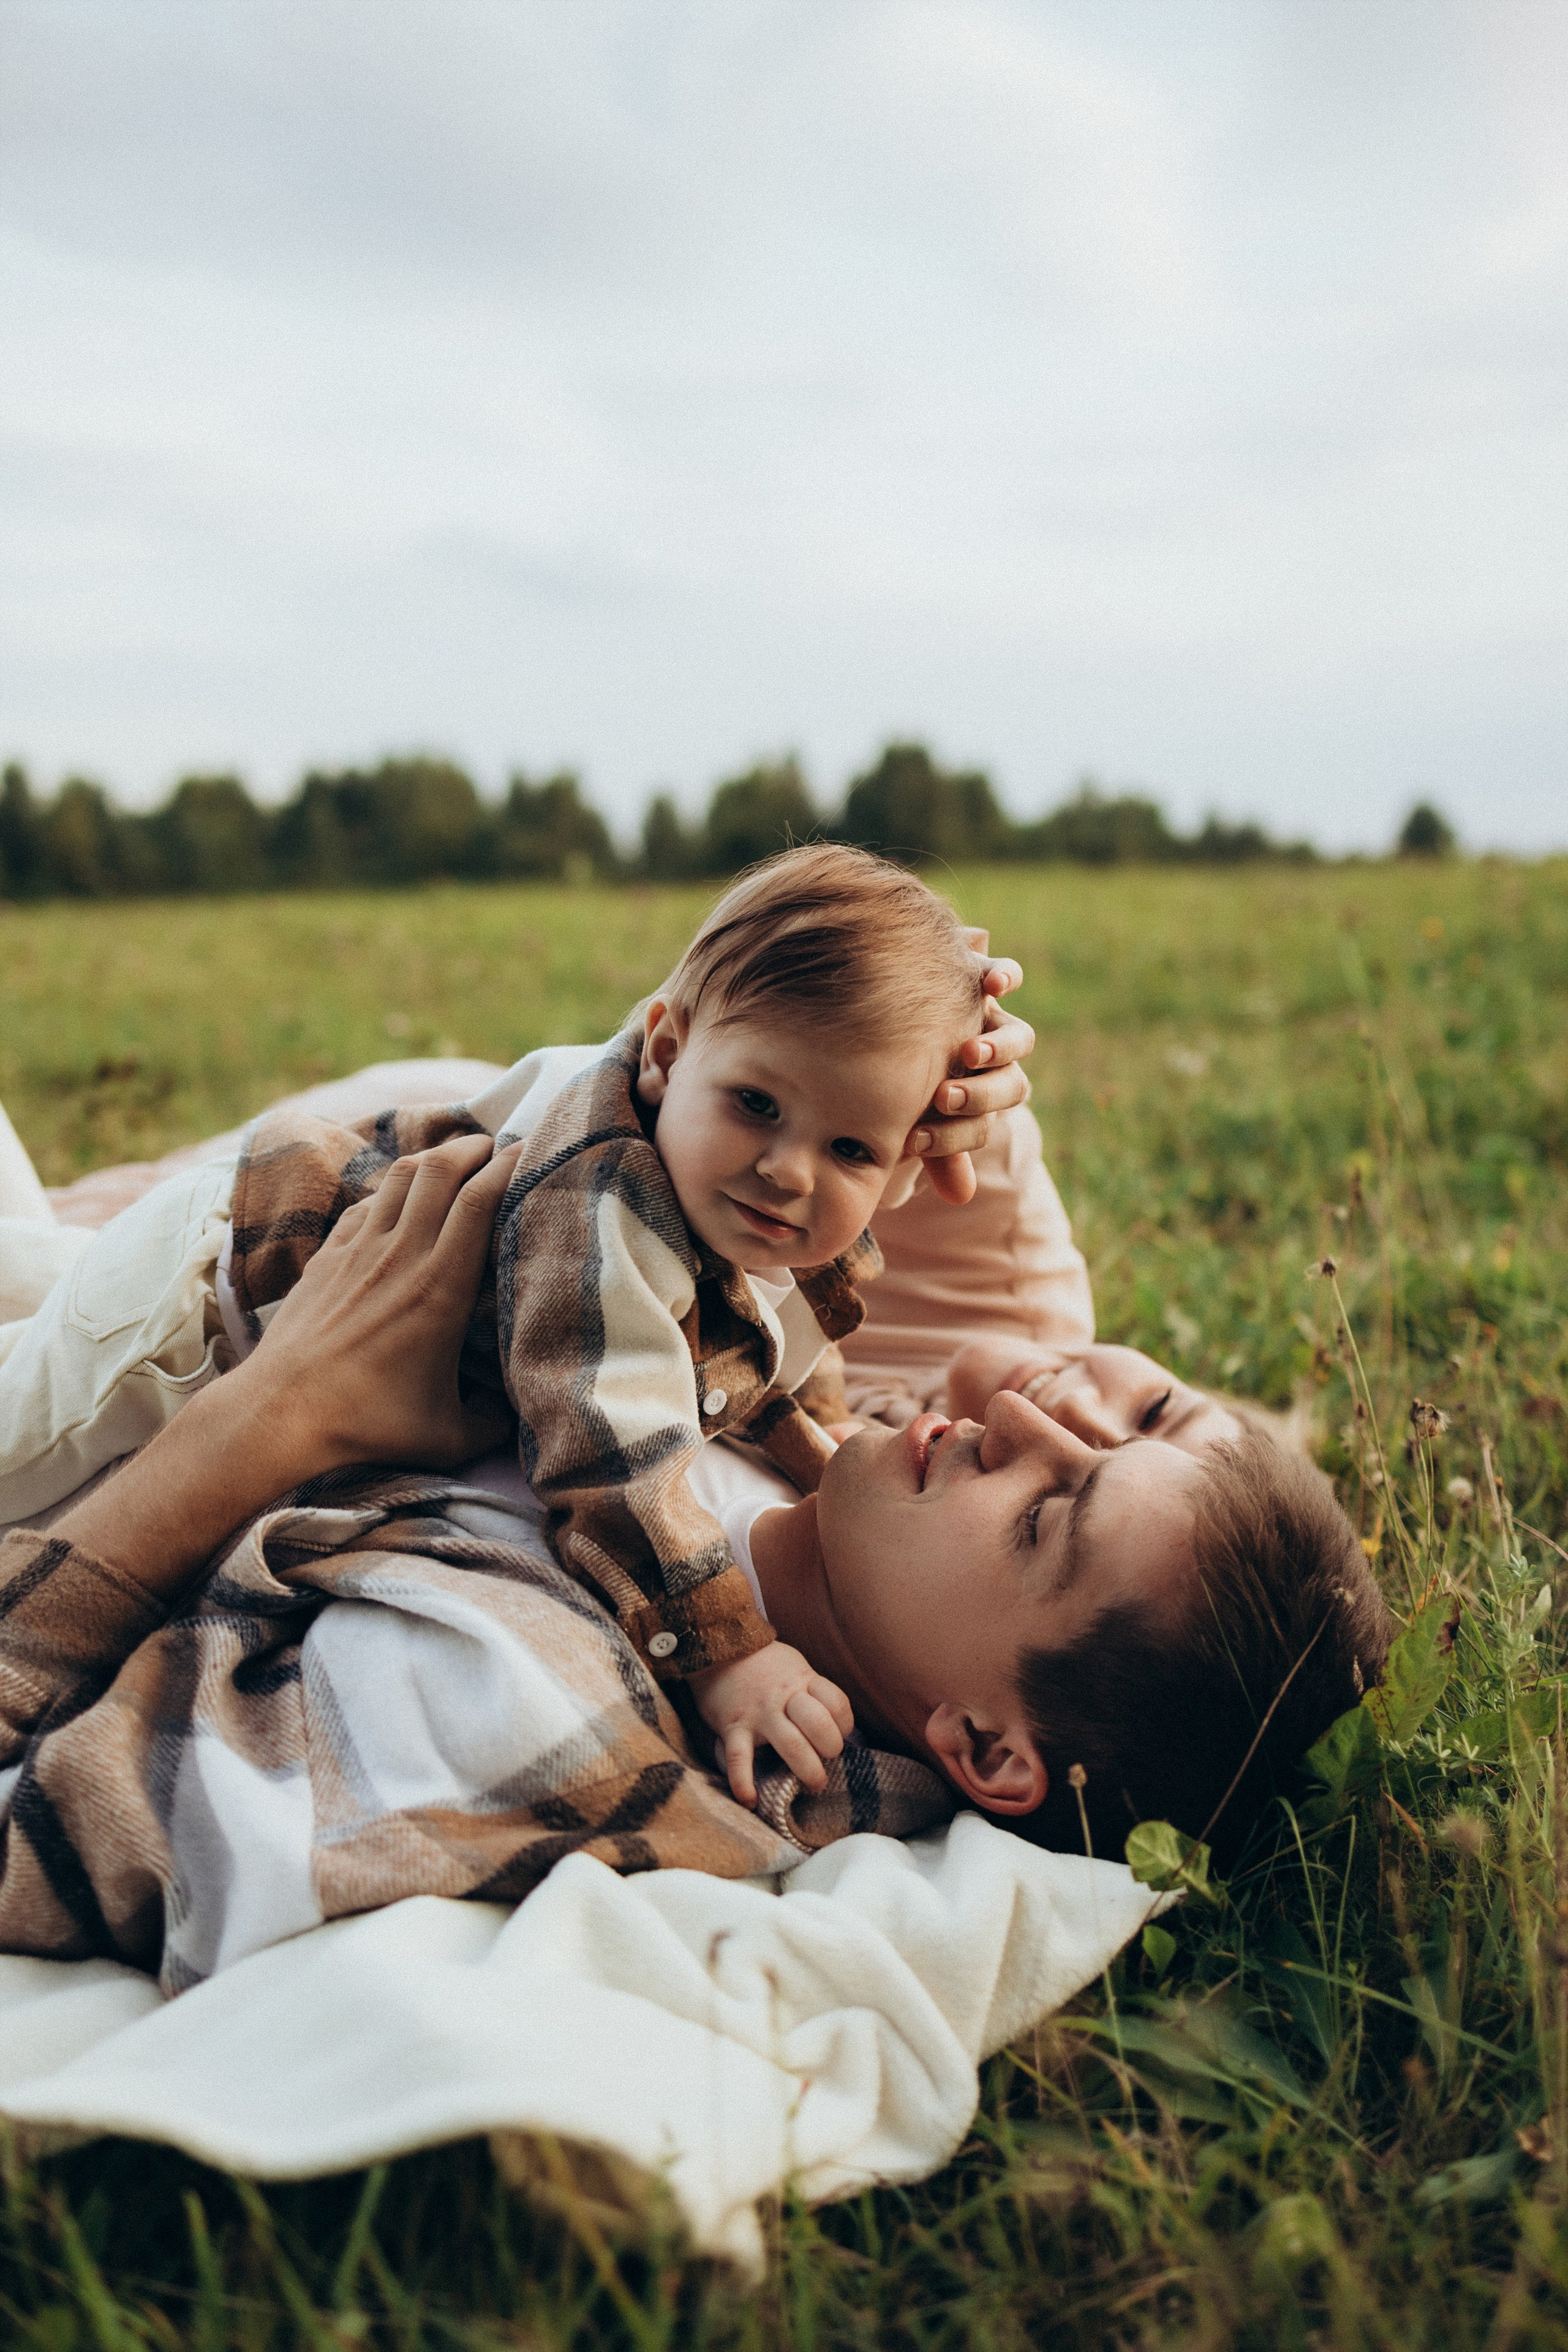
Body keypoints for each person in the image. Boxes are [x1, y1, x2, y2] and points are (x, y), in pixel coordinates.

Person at [2, 1121, 1392, 1883]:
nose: (1013, 1417)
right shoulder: (803, 1437)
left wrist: (275, 1418)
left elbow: (56, 1822)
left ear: (985, 1748)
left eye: (1044, 1517)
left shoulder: (541, 1707)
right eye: (1127, 1418)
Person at [0, 848, 1039, 1804]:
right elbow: (606, 1441)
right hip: (204, 1303)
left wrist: (829, 1457)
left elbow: (777, 1367)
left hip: (256, 1283)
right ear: (668, 1052)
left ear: (904, 1160)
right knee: (23, 1440)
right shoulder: (611, 1203)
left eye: (853, 1148)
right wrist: (727, 1652)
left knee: (36, 1286)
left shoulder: (786, 1216)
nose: (789, 1169)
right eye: (757, 1105)